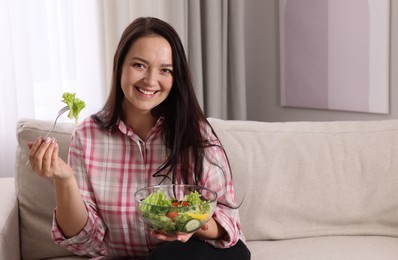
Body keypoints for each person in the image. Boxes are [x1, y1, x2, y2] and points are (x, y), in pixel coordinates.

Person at [28, 17, 250, 260]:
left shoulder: (196, 133)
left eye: (165, 70)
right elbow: (86, 242)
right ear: (120, 65)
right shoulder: (88, 136)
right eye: (140, 65)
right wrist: (64, 179)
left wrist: (196, 223)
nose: (150, 80)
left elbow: (229, 224)